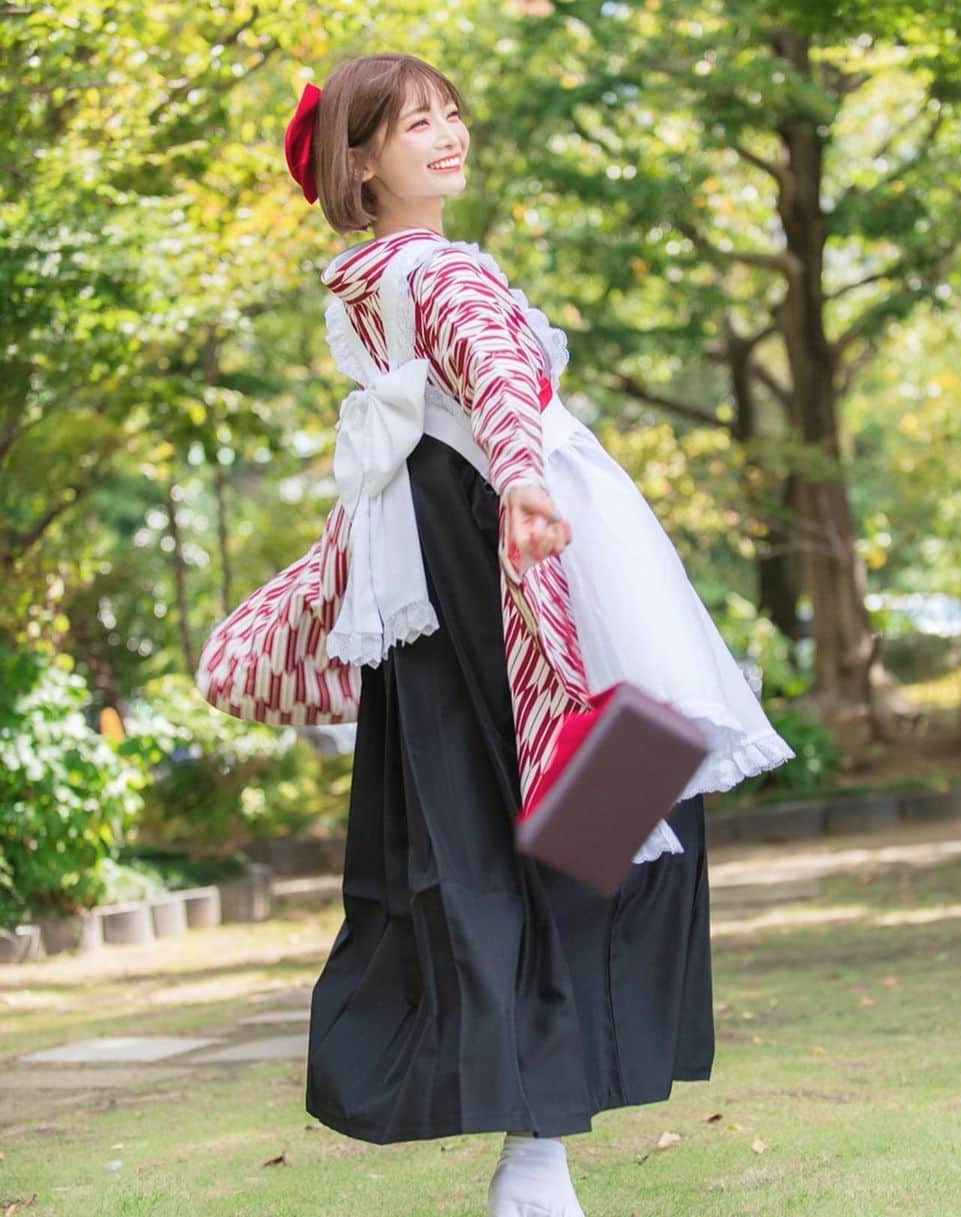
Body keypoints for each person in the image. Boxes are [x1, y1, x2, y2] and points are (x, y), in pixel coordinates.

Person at [284, 52, 796, 1217]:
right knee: (597, 811)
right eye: (418, 123)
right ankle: (539, 1142)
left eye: (453, 113)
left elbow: (472, 388)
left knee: (504, 823)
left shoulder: (365, 281)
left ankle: (537, 1141)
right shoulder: (436, 271)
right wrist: (520, 479)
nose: (449, 133)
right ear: (360, 161)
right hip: (513, 549)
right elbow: (499, 382)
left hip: (449, 555)